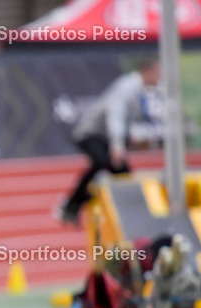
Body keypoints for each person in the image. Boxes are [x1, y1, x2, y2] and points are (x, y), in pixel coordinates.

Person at [57, 56, 161, 226]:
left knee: (122, 172)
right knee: (102, 162)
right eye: (157, 73)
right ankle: (73, 203)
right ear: (146, 71)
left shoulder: (141, 90)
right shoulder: (127, 87)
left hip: (105, 137)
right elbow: (116, 115)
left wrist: (128, 140)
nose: (159, 77)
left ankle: (126, 215)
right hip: (90, 133)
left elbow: (129, 119)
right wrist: (117, 145)